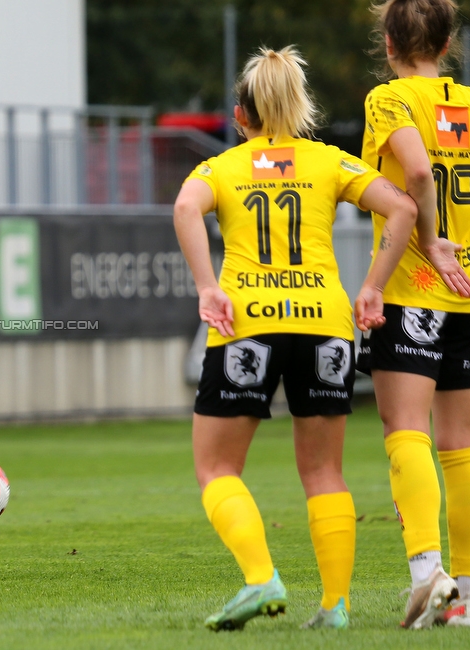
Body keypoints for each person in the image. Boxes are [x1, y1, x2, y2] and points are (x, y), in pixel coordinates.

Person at [174, 46, 419, 632]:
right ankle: (335, 607)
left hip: (247, 324)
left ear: (241, 116)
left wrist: (208, 288)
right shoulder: (329, 161)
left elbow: (185, 207)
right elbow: (406, 208)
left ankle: (261, 578)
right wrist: (374, 287)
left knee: (216, 469)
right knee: (324, 472)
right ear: (301, 106)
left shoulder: (223, 167)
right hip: (324, 324)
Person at [358, 0, 470, 629]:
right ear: (446, 45)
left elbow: (416, 169)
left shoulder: (387, 101)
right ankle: (463, 602)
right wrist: (451, 232)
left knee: (406, 431)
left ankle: (429, 575)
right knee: (464, 448)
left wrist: (426, 233)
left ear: (389, 43)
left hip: (412, 289)